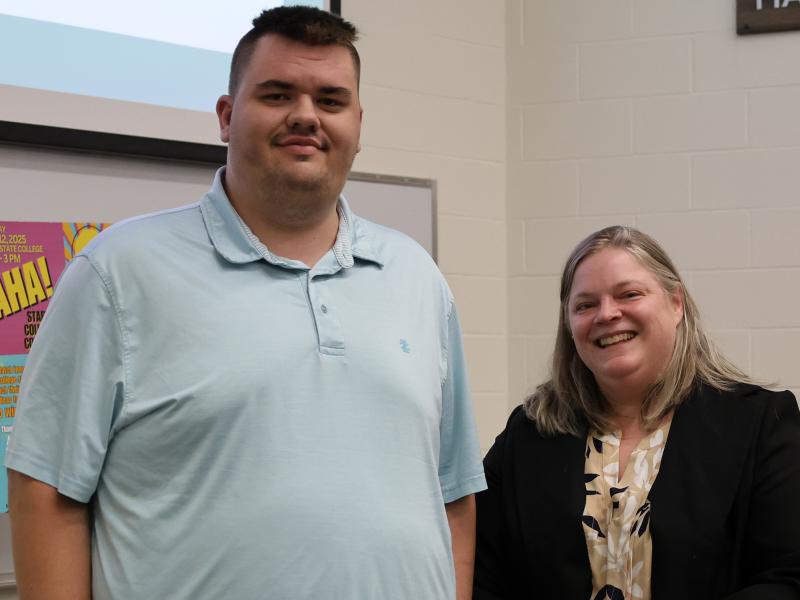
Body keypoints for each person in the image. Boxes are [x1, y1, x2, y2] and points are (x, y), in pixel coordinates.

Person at [6, 7, 486, 599]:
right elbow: (46, 492)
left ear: (358, 126)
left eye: (331, 101)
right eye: (278, 94)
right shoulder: (116, 274)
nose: (306, 116)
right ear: (227, 117)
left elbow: (453, 493)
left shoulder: (418, 277)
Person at [474, 225, 800, 600]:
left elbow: (788, 577)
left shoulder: (760, 424)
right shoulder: (530, 433)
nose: (607, 314)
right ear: (568, 323)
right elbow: (482, 573)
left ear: (676, 303)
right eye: (585, 305)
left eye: (628, 294)